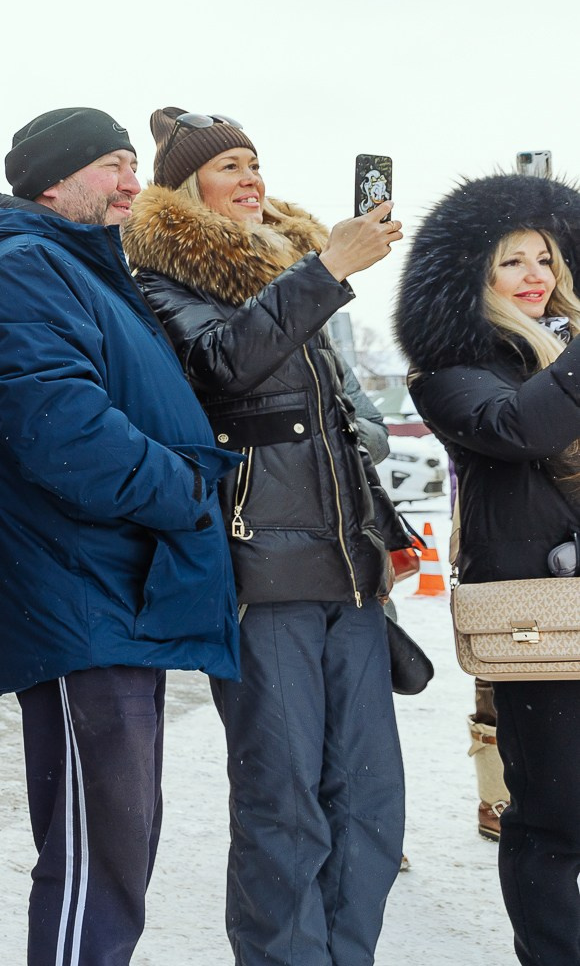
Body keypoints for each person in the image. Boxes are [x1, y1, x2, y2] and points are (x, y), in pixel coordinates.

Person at [0, 107, 240, 966]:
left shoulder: (82, 268)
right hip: (75, 598)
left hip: (112, 595)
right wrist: (192, 487)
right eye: (113, 164)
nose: (134, 183)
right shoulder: (28, 265)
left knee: (120, 842)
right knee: (96, 854)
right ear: (53, 181)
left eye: (135, 164)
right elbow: (64, 432)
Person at [121, 108, 410, 965]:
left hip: (349, 574)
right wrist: (326, 271)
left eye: (255, 163)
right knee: (283, 805)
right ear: (186, 192)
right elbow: (221, 366)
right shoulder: (161, 277)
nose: (251, 178)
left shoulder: (290, 265)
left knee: (370, 803)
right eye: (229, 167)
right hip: (259, 572)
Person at [395, 172, 580, 966]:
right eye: (512, 261)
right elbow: (518, 428)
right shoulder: (451, 368)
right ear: (476, 275)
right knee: (551, 814)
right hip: (540, 622)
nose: (536, 275)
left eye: (545, 257)